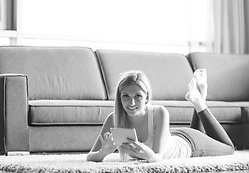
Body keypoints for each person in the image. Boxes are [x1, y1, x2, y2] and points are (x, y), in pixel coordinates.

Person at [87, 69, 235, 162]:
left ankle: (199, 102)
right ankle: (199, 95)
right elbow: (90, 156)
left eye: (138, 96)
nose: (131, 102)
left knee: (229, 149)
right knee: (198, 131)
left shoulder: (159, 112)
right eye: (125, 96)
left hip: (190, 144)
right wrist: (103, 152)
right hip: (173, 136)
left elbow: (158, 157)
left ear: (147, 97)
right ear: (119, 97)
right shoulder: (114, 118)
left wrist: (149, 155)